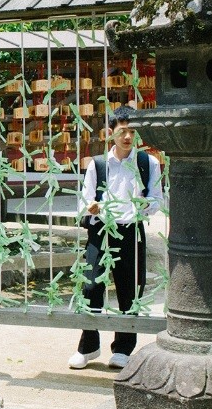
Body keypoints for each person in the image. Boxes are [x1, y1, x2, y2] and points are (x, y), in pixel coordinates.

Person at [68, 106, 163, 370]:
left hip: (131, 230)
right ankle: (89, 346)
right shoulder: (97, 164)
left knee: (130, 289)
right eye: (122, 131)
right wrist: (91, 207)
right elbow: (84, 199)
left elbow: (157, 199)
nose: (128, 137)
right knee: (90, 286)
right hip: (101, 230)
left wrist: (144, 204)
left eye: (133, 131)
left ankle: (123, 348)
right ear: (111, 132)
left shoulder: (147, 163)